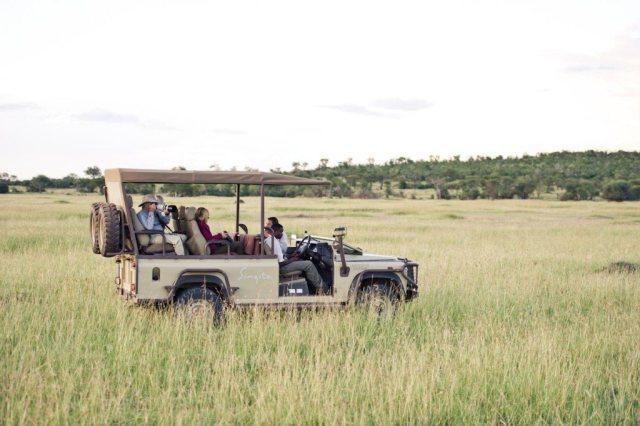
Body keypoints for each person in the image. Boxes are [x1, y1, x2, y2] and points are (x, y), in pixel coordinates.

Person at [264, 223, 326, 295]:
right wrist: (293, 260)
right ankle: (323, 289)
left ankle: (313, 289)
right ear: (275, 231)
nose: (282, 234)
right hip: (282, 268)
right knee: (309, 264)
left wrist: (290, 256)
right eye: (281, 232)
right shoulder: (273, 241)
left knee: (303, 262)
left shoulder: (271, 240)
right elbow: (280, 263)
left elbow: (280, 257)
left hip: (282, 264)